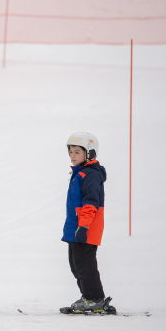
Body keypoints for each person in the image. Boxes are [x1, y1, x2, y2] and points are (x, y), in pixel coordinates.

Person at [62, 132, 110, 313]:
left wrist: (84, 226)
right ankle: (88, 297)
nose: (72, 156)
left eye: (77, 152)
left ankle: (95, 299)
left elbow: (91, 203)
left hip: (85, 228)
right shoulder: (80, 173)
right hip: (76, 228)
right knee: (76, 266)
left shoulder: (90, 174)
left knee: (85, 266)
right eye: (71, 152)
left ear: (89, 153)